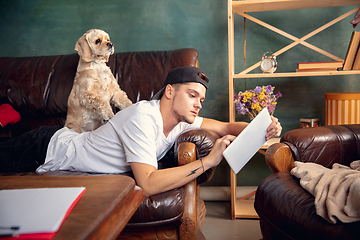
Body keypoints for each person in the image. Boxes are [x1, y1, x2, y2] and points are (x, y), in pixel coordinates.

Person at [0, 67, 281, 196]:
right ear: (170, 92)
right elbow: (147, 183)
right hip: (46, 149)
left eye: (201, 100)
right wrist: (208, 161)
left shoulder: (183, 119)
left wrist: (263, 128)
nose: (198, 104)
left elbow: (227, 127)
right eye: (193, 95)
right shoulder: (143, 117)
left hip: (56, 152)